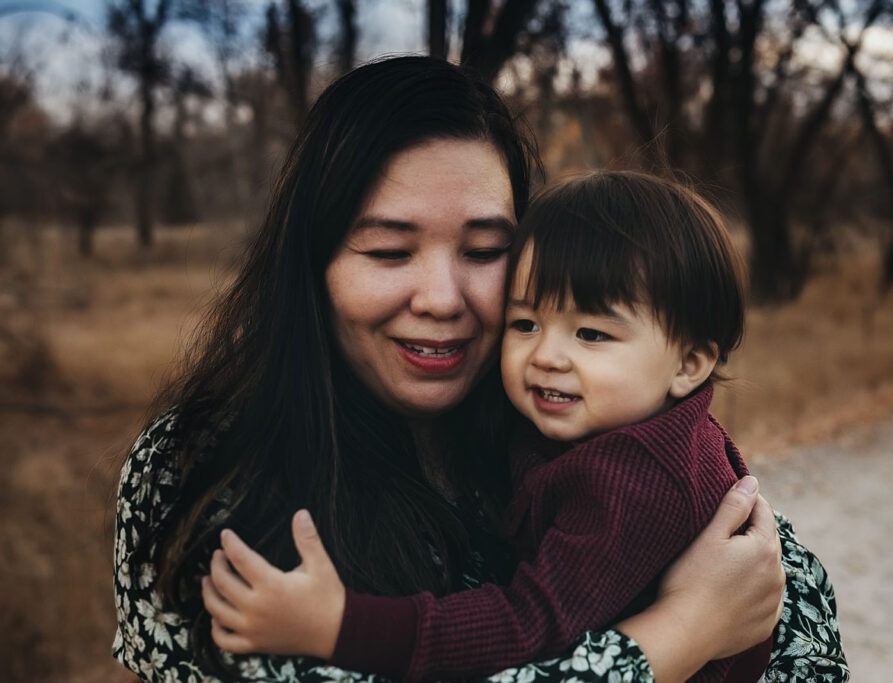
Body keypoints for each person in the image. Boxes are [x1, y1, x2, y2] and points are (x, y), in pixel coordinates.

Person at [112, 56, 847, 683]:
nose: (442, 300)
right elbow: (721, 602)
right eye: (389, 251)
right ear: (313, 267)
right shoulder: (198, 469)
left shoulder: (567, 416)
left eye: (485, 250)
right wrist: (678, 635)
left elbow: (792, 613)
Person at [201, 171, 773, 683]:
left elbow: (528, 628)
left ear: (689, 364)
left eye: (592, 334)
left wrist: (339, 626)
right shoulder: (618, 421)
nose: (545, 356)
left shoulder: (634, 482)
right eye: (525, 322)